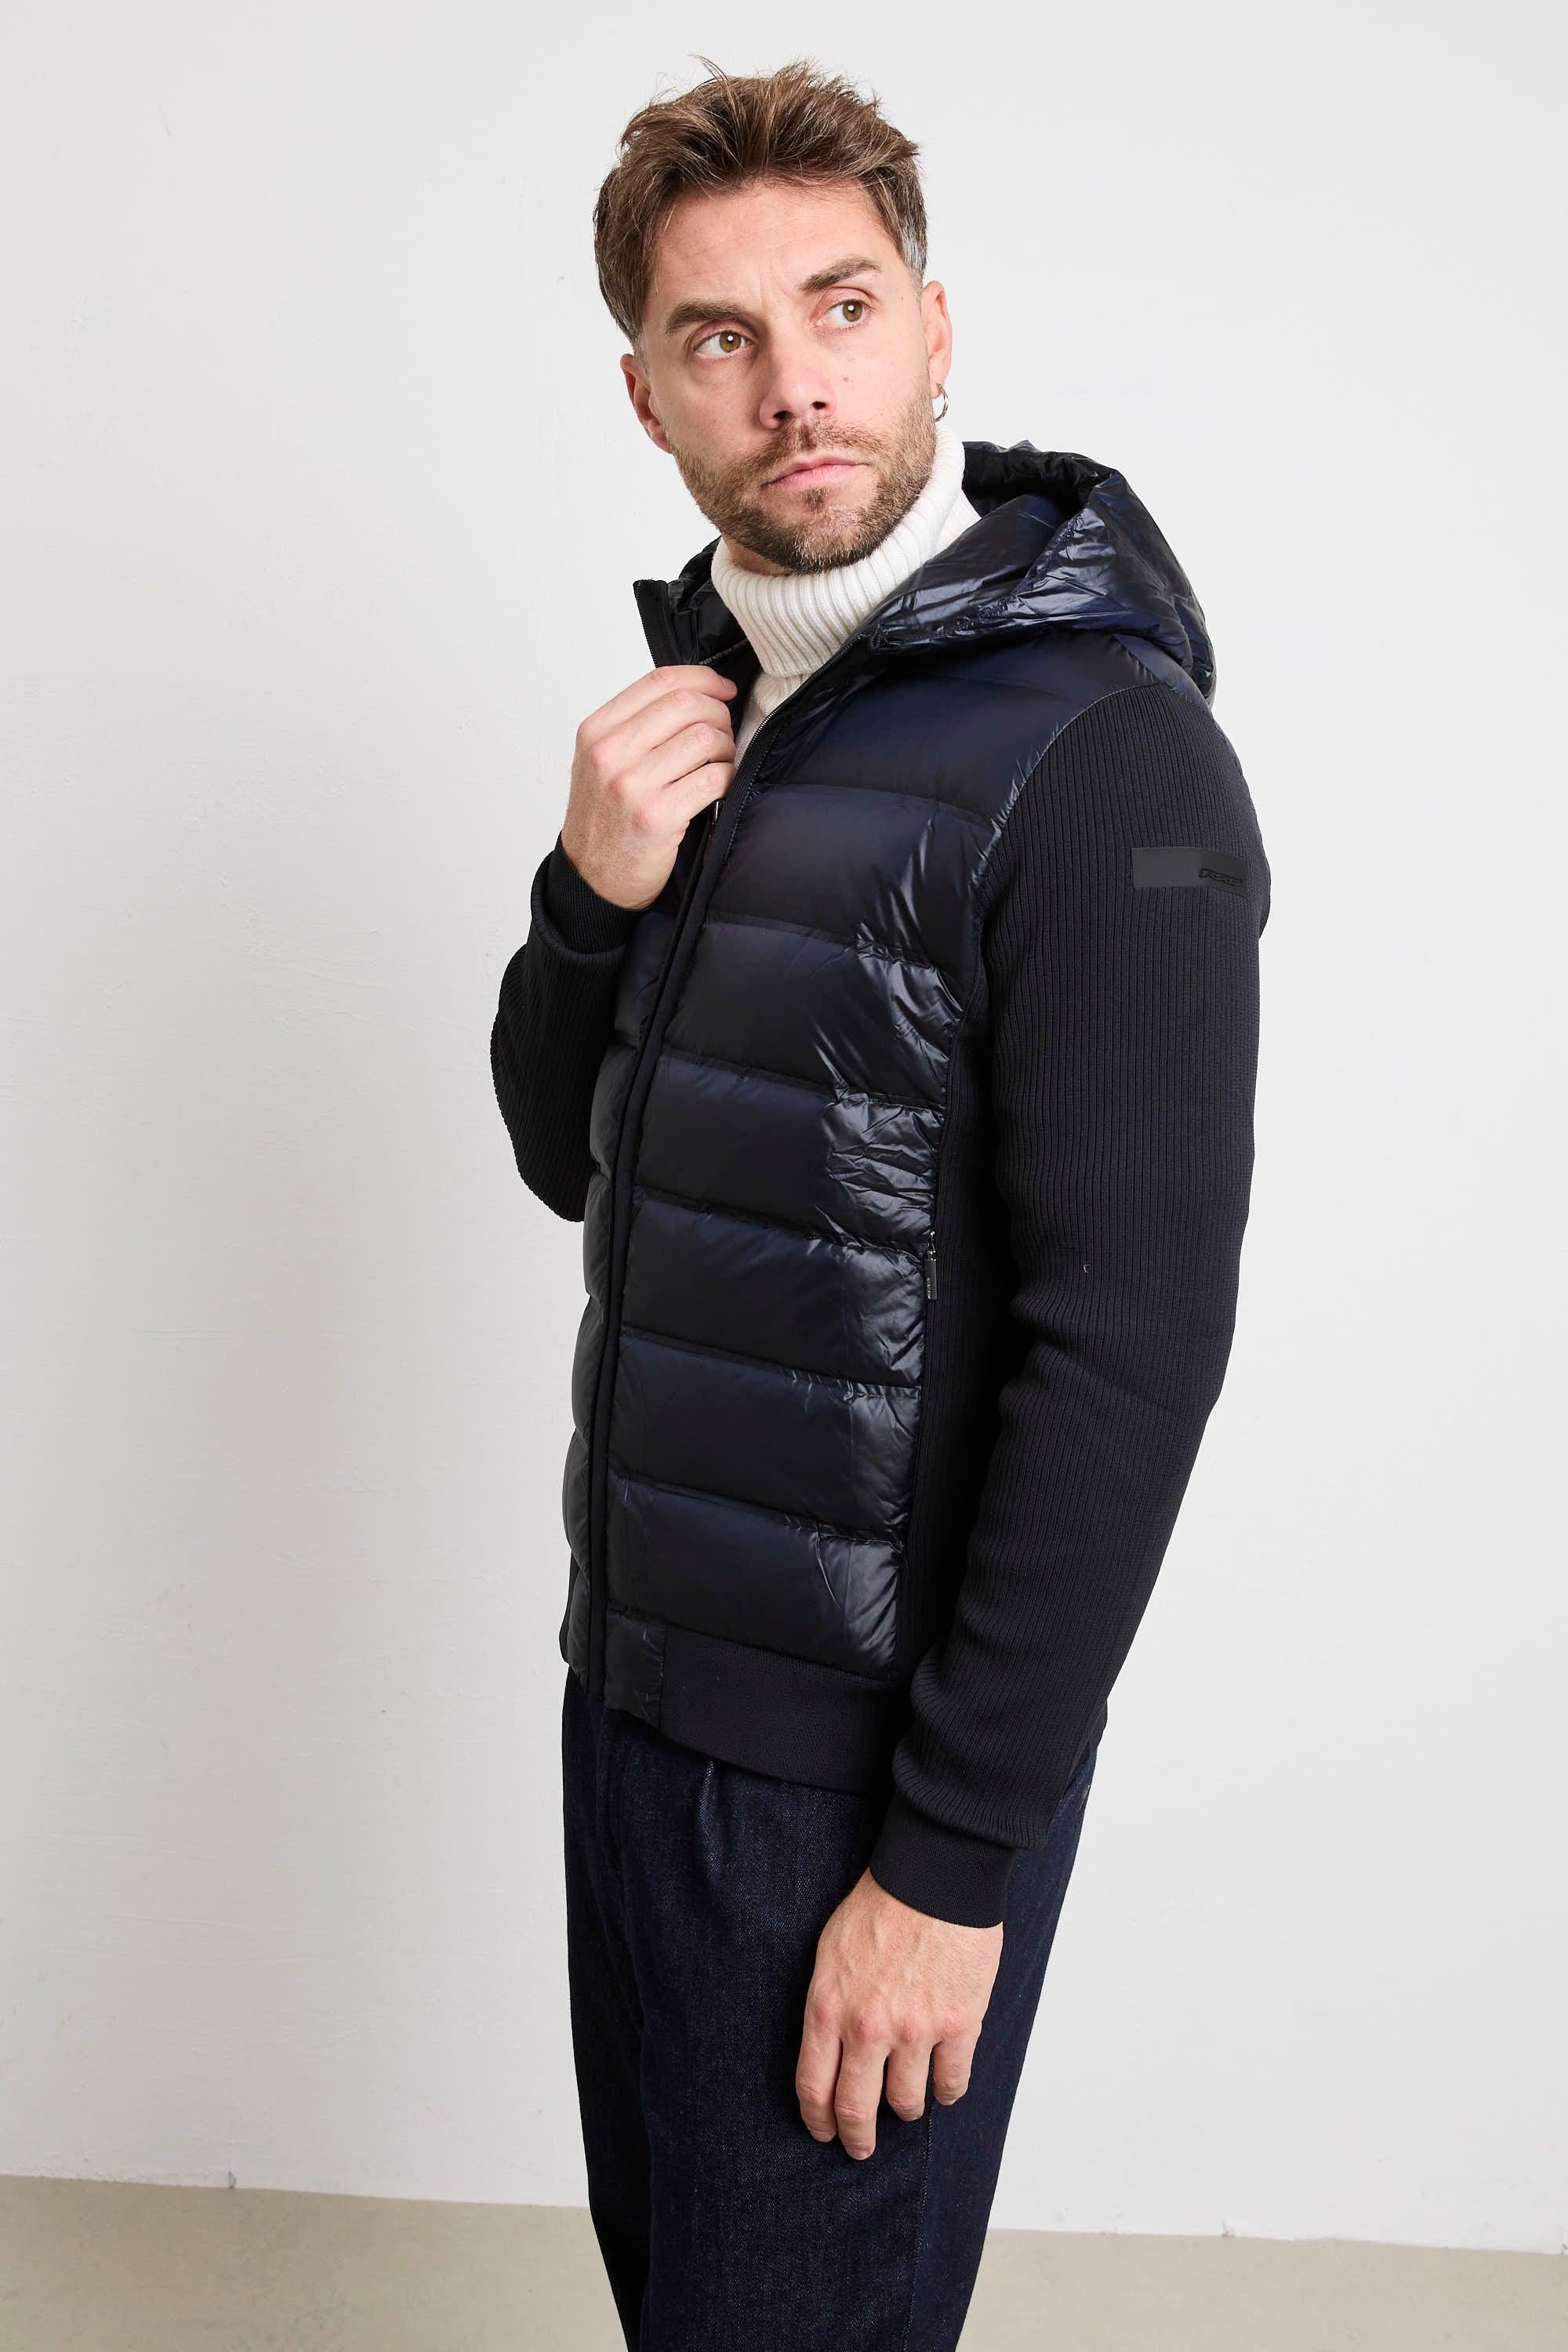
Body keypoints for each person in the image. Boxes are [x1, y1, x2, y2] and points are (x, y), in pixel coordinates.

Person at [489, 56, 1269, 2352]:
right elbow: (569, 1154)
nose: (795, 385)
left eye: (841, 309)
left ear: (935, 327)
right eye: (721, 336)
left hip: (856, 1785)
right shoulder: (718, 718)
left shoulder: (1111, 758)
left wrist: (945, 1862)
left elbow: (1133, 1348)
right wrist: (588, 894)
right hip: (635, 1709)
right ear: (649, 394)